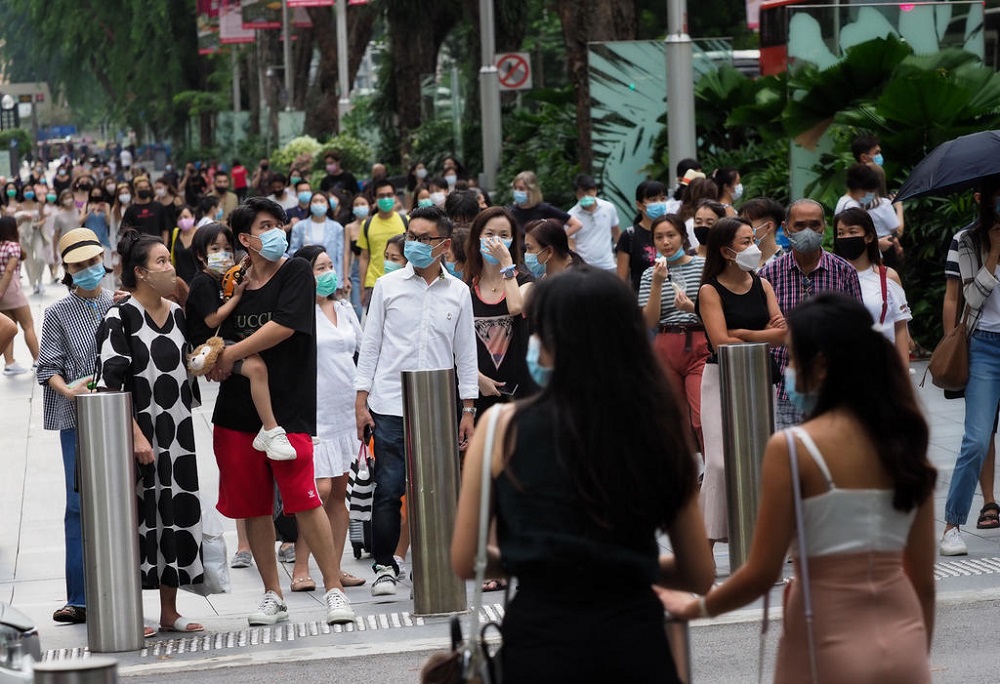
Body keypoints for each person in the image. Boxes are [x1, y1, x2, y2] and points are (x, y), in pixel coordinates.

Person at [450, 267, 714, 682]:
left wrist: (543, 560)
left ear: (552, 341)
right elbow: (698, 572)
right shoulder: (658, 426)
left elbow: (467, 559)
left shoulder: (501, 427)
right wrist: (623, 562)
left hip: (540, 642)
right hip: (634, 641)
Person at [662, 293, 936, 683]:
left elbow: (760, 572)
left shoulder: (794, 448)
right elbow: (923, 583)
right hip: (906, 642)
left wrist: (694, 609)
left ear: (820, 365)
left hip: (825, 641)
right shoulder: (907, 442)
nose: (787, 368)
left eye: (791, 356)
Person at [206, 197, 355, 625]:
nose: (277, 232)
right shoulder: (232, 284)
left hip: (288, 409)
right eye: (266, 226)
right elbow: (211, 329)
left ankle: (334, 590)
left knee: (305, 497)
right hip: (236, 410)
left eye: (280, 224)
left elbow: (285, 325)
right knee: (254, 506)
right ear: (245, 239)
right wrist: (216, 358)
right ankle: (272, 593)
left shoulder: (295, 272)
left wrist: (231, 352)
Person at [355, 206, 477, 596]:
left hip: (438, 407)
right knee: (390, 488)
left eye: (424, 239)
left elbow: (466, 355)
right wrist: (362, 402)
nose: (415, 244)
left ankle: (431, 564)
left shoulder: (458, 292)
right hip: (390, 404)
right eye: (411, 236)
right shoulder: (388, 287)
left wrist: (468, 409)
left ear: (443, 245)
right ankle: (384, 565)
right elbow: (370, 346)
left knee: (437, 490)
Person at [95, 230, 206, 636]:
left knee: (173, 517)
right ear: (139, 272)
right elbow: (110, 383)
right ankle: (130, 610)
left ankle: (169, 610)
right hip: (140, 433)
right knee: (138, 521)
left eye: (169, 260)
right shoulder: (119, 317)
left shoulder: (177, 313)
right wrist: (136, 436)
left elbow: (185, 367)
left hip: (177, 431)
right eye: (160, 262)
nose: (169, 267)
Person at [36, 229, 115, 625]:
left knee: (121, 501)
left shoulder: (118, 304)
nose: (88, 270)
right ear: (66, 269)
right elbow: (46, 367)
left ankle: (123, 589)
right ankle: (79, 598)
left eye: (92, 262)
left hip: (120, 414)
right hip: (77, 417)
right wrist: (68, 390)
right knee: (78, 504)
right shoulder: (57, 313)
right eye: (79, 265)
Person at [698, 217, 786, 547]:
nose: (753, 248)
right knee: (719, 464)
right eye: (745, 242)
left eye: (753, 240)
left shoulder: (762, 284)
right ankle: (704, 542)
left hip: (757, 376)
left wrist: (745, 333)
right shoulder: (710, 290)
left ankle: (757, 543)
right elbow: (720, 342)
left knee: (757, 462)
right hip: (721, 378)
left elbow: (784, 335)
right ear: (726, 251)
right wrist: (765, 335)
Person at [284, 245, 366, 590]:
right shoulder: (297, 313)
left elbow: (363, 352)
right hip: (312, 412)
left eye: (331, 266)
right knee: (316, 490)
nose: (329, 273)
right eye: (320, 268)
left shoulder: (345, 309)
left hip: (345, 408)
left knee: (339, 492)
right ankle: (301, 567)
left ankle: (334, 567)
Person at [759, 199, 862, 430]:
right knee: (791, 457)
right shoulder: (768, 275)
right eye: (800, 225)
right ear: (785, 228)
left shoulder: (844, 271)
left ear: (824, 227)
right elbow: (761, 329)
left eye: (815, 225)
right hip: (783, 388)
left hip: (834, 387)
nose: (808, 232)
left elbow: (858, 331)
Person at [940, 180, 1000, 556]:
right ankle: (952, 525)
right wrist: (993, 254)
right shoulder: (966, 240)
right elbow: (970, 296)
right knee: (977, 438)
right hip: (984, 346)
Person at [639, 215, 707, 450]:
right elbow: (649, 320)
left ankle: (712, 476)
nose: (666, 242)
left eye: (671, 235)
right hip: (666, 343)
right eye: (659, 237)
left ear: (683, 237)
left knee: (701, 417)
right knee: (673, 417)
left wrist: (691, 307)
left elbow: (716, 311)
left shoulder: (702, 265)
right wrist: (657, 283)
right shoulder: (650, 274)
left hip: (698, 341)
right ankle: (683, 476)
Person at [465, 206, 535, 416]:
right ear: (477, 237)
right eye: (489, 234)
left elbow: (515, 306)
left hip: (518, 394)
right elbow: (455, 343)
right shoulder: (466, 287)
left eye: (504, 235)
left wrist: (507, 264)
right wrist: (476, 377)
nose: (496, 241)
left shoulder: (526, 281)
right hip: (478, 394)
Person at [832, 208, 911, 367]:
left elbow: (901, 328)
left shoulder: (887, 277)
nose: (846, 237)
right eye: (840, 233)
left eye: (852, 231)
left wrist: (902, 374)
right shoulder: (830, 276)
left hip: (882, 367)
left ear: (868, 237)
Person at [835, 163, 903, 269]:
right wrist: (878, 244)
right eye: (870, 191)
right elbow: (853, 241)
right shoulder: (852, 206)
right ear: (860, 188)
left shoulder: (847, 201)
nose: (871, 195)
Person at [0, 216, 40, 375]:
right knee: (28, 324)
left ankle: (9, 362)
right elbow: (9, 270)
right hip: (11, 288)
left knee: (9, 325)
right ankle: (38, 360)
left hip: (2, 290)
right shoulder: (13, 246)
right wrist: (2, 290)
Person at [357, 179, 407, 304]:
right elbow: (364, 257)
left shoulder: (406, 221)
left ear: (395, 196)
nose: (386, 199)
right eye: (381, 196)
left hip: (402, 282)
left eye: (389, 195)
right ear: (374, 198)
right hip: (374, 283)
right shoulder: (366, 224)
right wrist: (362, 288)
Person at [288, 191, 349, 289]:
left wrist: (341, 281)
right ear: (310, 205)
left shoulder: (337, 228)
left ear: (328, 205)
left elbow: (340, 256)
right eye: (315, 201)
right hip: (305, 276)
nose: (318, 204)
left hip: (330, 278)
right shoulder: (299, 227)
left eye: (322, 201)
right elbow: (292, 252)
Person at [617, 180, 668, 292]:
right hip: (642, 301)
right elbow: (621, 279)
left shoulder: (674, 231)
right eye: (653, 200)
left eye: (663, 199)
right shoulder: (629, 236)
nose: (659, 203)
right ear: (639, 205)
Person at [566, 173, 620, 272]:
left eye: (588, 192)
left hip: (608, 265)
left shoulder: (608, 208)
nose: (585, 196)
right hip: (584, 267)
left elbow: (616, 232)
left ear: (595, 190)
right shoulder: (571, 215)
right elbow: (571, 244)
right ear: (576, 194)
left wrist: (620, 255)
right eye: (581, 194)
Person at [508, 171, 581, 237]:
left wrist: (558, 241)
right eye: (515, 188)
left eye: (521, 189)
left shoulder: (544, 209)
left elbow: (576, 224)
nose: (517, 192)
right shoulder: (510, 212)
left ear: (532, 190)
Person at [14, 183, 55, 296]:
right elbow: (16, 223)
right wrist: (23, 218)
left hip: (36, 234)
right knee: (28, 261)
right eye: (26, 190)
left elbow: (43, 220)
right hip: (24, 236)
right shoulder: (19, 206)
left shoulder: (38, 205)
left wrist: (37, 224)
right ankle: (33, 284)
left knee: (40, 258)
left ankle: (40, 280)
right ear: (22, 192)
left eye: (30, 190)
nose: (28, 192)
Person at [737, 197, 784, 269]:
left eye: (747, 223)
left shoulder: (786, 263)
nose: (741, 228)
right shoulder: (738, 262)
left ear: (768, 227)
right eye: (740, 223)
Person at [123, 176, 169, 244]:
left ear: (150, 188)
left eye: (146, 187)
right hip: (139, 248)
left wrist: (165, 245)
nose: (144, 189)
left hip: (157, 246)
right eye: (140, 188)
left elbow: (165, 230)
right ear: (135, 190)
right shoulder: (130, 210)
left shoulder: (159, 206)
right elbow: (126, 232)